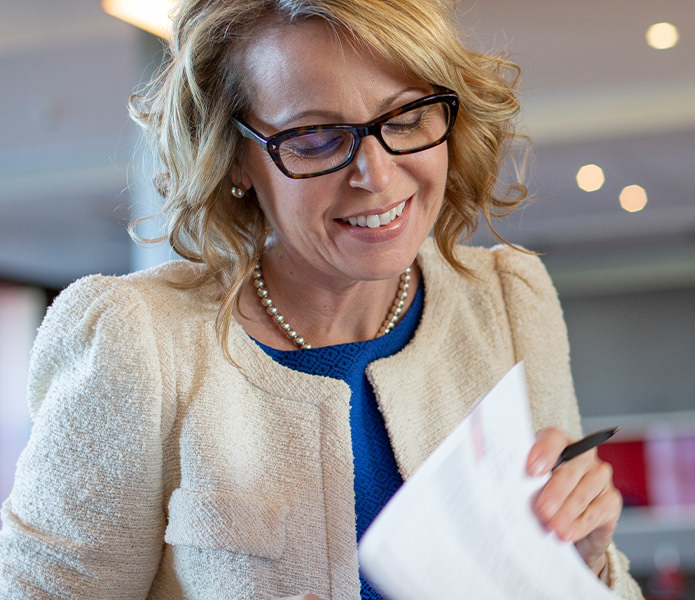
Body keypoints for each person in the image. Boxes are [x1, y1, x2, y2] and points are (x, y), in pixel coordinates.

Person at [0, 0, 644, 598]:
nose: (377, 175)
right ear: (236, 160)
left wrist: (583, 561)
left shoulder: (509, 300)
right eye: (314, 138)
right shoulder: (136, 339)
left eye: (408, 116)